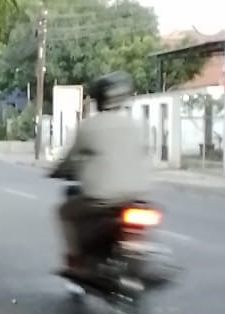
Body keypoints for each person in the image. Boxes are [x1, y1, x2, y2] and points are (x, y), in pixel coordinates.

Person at [50, 72, 151, 275]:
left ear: (97, 99)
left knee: (64, 211)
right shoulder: (134, 126)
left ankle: (76, 260)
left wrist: (57, 171)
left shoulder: (89, 127)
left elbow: (70, 158)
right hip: (136, 197)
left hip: (101, 200)